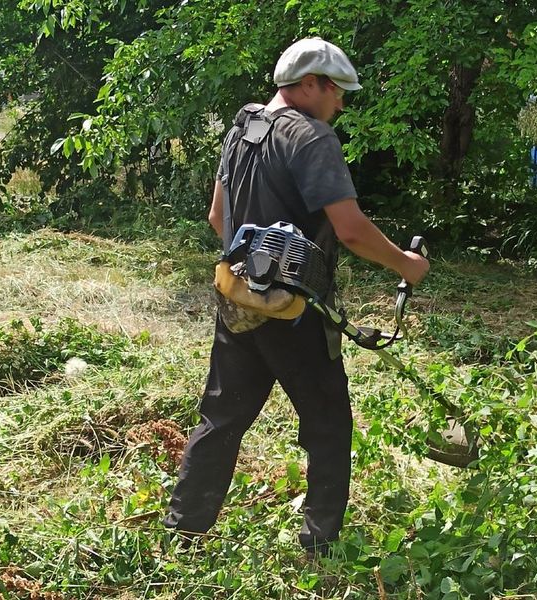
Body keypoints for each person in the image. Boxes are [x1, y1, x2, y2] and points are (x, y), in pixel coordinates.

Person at [163, 37, 429, 556]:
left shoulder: (244, 127)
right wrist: (407, 264)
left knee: (222, 418)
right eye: (337, 91)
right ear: (309, 84)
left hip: (237, 299)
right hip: (295, 310)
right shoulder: (312, 138)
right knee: (329, 423)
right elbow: (349, 230)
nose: (341, 104)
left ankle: (183, 531)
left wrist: (251, 274)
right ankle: (319, 546)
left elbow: (219, 218)